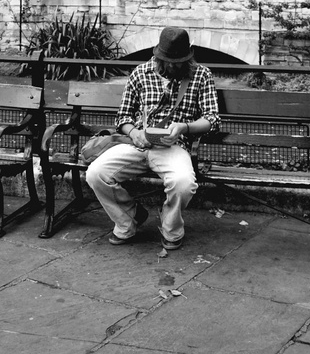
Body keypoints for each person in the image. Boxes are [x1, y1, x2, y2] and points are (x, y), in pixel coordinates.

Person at [85, 27, 220, 250]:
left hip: (174, 146)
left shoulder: (201, 75)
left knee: (184, 183)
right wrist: (134, 133)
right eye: (168, 61)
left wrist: (184, 127)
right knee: (96, 173)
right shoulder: (140, 73)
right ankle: (128, 219)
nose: (173, 66)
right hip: (137, 144)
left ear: (188, 57)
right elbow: (123, 117)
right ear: (158, 56)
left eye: (179, 61)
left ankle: (170, 225)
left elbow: (212, 119)